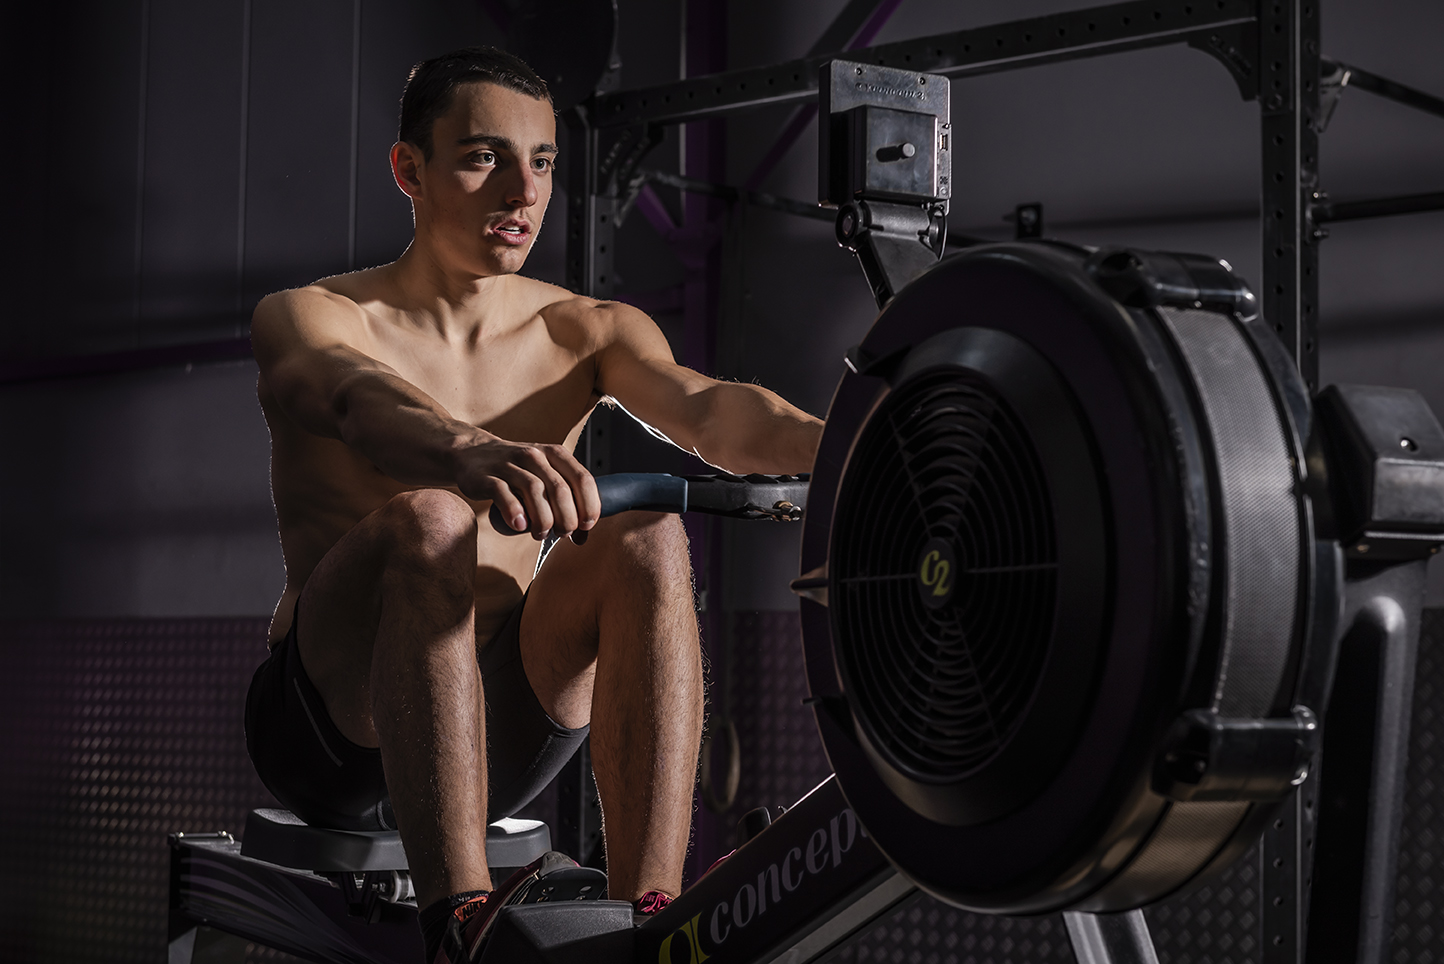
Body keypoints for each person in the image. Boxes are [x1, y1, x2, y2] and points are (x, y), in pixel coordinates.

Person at [243, 46, 822, 964]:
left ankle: (654, 917)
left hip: (501, 732)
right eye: (483, 157)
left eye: (542, 161)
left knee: (648, 539)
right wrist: (467, 448)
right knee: (431, 522)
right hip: (333, 740)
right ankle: (462, 929)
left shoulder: (582, 330)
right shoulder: (314, 314)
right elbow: (349, 395)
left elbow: (710, 410)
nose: (522, 190)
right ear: (410, 170)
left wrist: (854, 438)